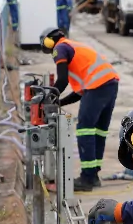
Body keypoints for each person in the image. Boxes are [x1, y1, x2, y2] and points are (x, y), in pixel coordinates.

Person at [39, 27, 120, 191]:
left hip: (98, 87)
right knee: (98, 131)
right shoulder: (74, 47)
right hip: (109, 84)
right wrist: (59, 102)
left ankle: (87, 178)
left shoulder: (59, 48)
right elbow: (79, 93)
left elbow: (62, 81)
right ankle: (93, 174)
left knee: (84, 129)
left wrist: (48, 99)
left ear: (48, 41)